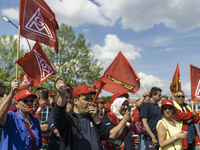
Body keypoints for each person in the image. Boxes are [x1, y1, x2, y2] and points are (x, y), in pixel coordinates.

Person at [53, 77, 111, 150]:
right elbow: (58, 116)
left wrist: (96, 118)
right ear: (75, 101)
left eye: (90, 99)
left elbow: (106, 134)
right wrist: (62, 95)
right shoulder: (69, 118)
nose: (90, 102)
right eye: (86, 99)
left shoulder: (92, 117)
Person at [0, 79, 42, 149]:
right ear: (17, 104)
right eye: (25, 101)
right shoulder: (11, 117)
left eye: (31, 101)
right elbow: (0, 115)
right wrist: (12, 92)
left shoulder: (35, 121)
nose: (29, 103)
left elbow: (39, 144)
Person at [47, 83, 73, 150]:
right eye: (65, 97)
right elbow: (58, 133)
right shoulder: (52, 113)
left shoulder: (75, 114)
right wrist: (67, 113)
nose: (68, 100)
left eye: (70, 98)